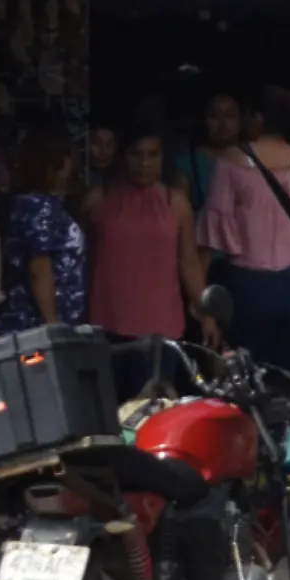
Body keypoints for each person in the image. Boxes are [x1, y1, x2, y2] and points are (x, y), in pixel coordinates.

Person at [82, 125, 214, 398]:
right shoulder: (97, 200)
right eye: (136, 154)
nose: (144, 163)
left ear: (162, 158)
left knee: (154, 412)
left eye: (152, 155)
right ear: (123, 156)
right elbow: (82, 260)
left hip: (160, 327)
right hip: (107, 323)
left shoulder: (176, 203)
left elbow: (188, 261)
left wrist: (206, 313)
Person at [196, 87, 290, 376]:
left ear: (256, 118)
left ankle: (255, 424)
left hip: (248, 286)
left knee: (247, 375)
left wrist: (199, 296)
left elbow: (212, 232)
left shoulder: (231, 161)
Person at [1, 125, 88, 332]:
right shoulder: (37, 206)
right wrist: (51, 324)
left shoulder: (49, 204)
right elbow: (39, 269)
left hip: (61, 321)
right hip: (35, 325)